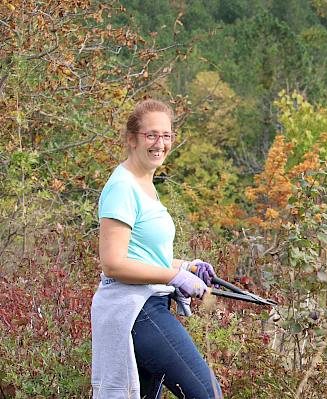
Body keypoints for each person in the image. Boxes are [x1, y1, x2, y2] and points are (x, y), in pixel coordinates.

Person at [90, 99, 222, 398]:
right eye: (151, 135)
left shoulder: (145, 184)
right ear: (132, 139)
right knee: (207, 394)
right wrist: (172, 277)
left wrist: (185, 266)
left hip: (149, 304)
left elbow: (142, 253)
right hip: (136, 311)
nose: (160, 143)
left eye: (166, 135)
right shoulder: (122, 187)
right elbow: (113, 263)